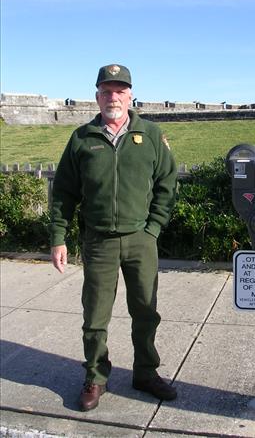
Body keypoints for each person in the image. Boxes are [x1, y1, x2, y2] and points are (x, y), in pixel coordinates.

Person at [50, 64, 178, 411]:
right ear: (97, 96)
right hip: (99, 242)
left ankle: (146, 373)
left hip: (141, 240)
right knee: (95, 316)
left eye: (120, 91)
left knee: (146, 311)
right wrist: (58, 238)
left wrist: (153, 227)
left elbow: (167, 184)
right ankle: (95, 376)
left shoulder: (150, 135)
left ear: (130, 95)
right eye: (106, 91)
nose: (113, 97)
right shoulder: (82, 138)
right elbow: (62, 192)